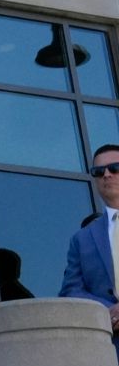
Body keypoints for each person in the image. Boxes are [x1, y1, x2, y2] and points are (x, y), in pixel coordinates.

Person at [60, 144, 119, 355]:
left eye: (115, 168)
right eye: (98, 171)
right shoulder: (82, 239)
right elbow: (71, 291)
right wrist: (107, 312)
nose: (106, 175)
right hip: (111, 349)